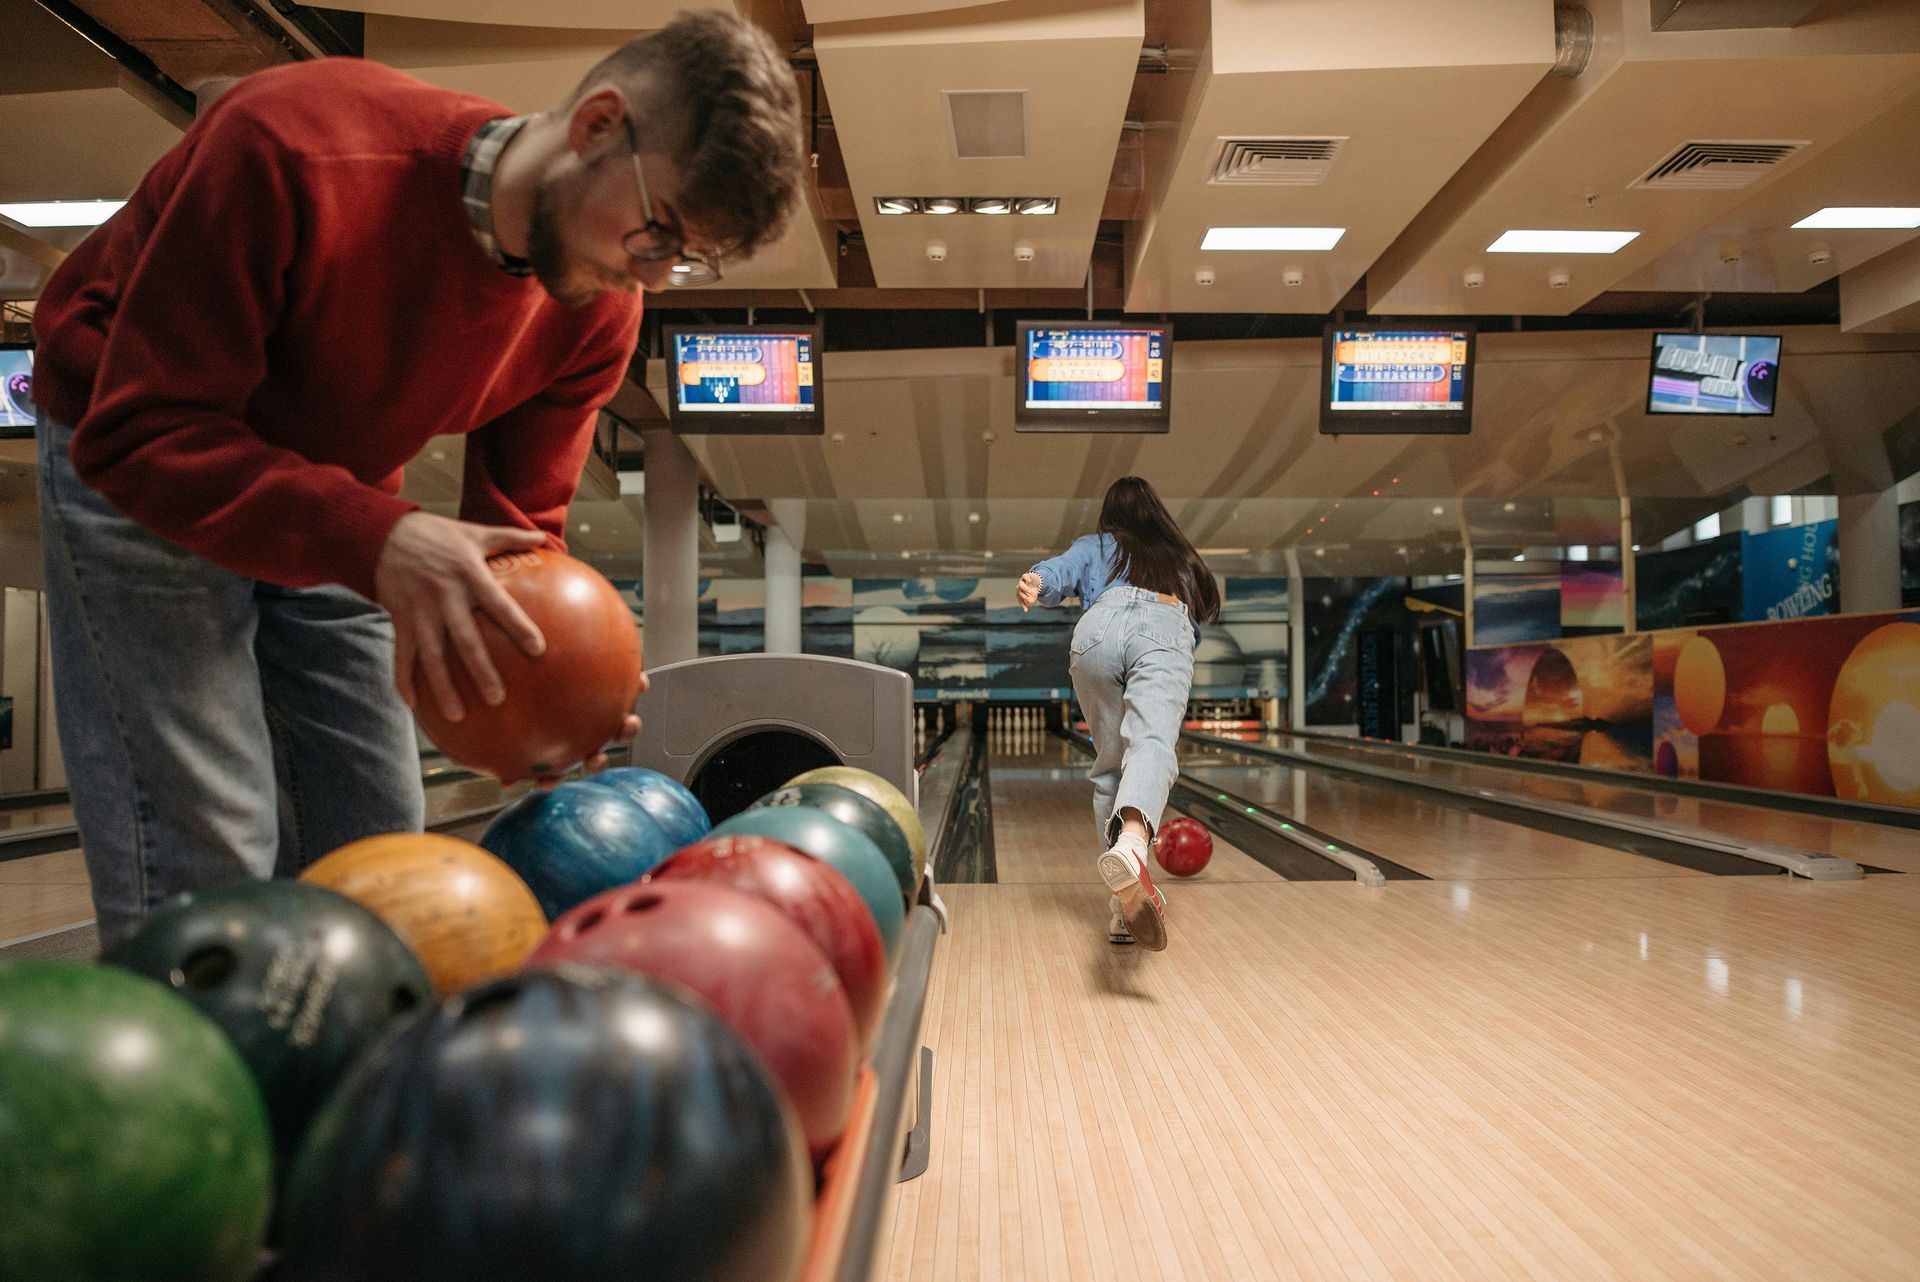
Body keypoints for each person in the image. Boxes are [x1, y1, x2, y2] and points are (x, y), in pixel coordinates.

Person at [31, 13, 805, 945]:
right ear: (597, 126)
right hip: (143, 455)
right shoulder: (294, 144)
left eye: (686, 261)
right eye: (659, 233)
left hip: (341, 487)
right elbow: (136, 434)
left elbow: (523, 542)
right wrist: (381, 538)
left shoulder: (599, 307)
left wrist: (549, 691)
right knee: (213, 854)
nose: (655, 274)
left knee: (388, 854)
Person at [1018, 477, 1219, 951]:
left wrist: (1038, 581)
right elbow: (1202, 614)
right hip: (1164, 625)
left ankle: (1122, 908)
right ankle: (1131, 846)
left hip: (1097, 630)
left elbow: (1058, 573)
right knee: (1149, 744)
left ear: (1110, 515)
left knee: (1110, 769)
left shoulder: (1096, 544)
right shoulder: (1179, 555)